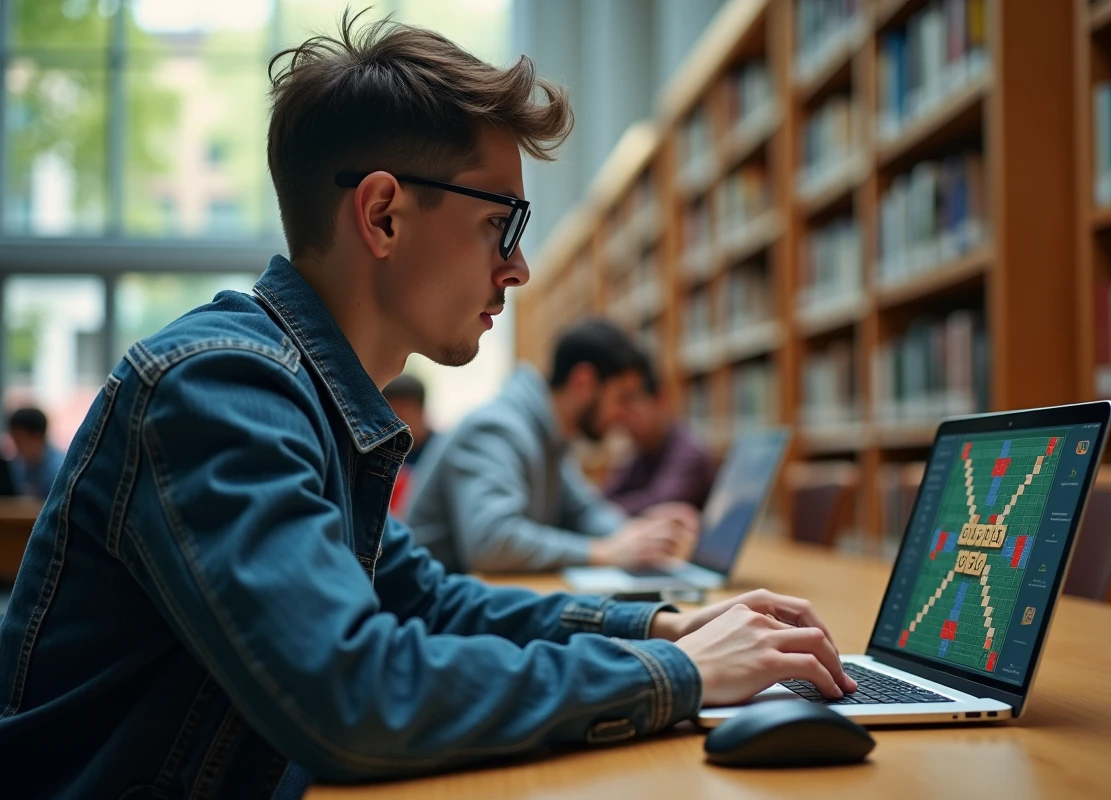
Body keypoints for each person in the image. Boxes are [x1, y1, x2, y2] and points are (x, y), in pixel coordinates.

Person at [0, 15, 854, 798]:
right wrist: (681, 676)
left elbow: (433, 604)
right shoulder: (220, 388)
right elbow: (352, 694)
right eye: (504, 224)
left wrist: (665, 627)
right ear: (382, 215)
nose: (519, 269)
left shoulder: (317, 404)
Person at [405, 319, 700, 573]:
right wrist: (602, 553)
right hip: (428, 611)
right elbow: (491, 542)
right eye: (621, 398)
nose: (624, 415)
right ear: (583, 382)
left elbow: (582, 511)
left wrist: (638, 535)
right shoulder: (498, 428)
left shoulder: (549, 437)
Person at [605, 356, 715, 515]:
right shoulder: (643, 453)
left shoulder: (688, 452)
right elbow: (606, 496)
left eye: (631, 401)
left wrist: (593, 513)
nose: (622, 415)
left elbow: (658, 503)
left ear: (660, 401)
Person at [382, 373, 436, 515]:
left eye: (402, 412)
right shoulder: (381, 454)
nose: (396, 422)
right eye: (391, 414)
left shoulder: (439, 450)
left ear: (421, 410)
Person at [5, 407, 65, 501]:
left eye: (19, 440)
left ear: (37, 436)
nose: (17, 447)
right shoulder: (17, 466)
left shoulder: (60, 468)